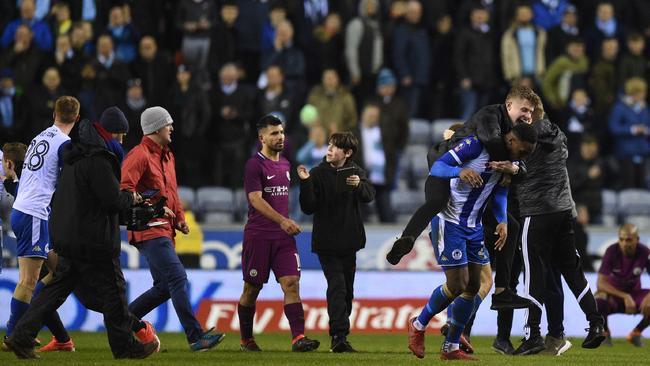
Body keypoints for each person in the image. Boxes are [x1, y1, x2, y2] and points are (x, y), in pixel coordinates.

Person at [5, 108, 160, 360]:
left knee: (55, 290)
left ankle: (21, 337)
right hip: (94, 238)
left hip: (67, 234)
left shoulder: (74, 156)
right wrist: (129, 197)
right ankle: (125, 347)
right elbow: (110, 201)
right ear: (112, 134)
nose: (121, 142)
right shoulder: (100, 159)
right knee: (114, 291)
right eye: (120, 136)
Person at [406, 123, 538, 361]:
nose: (524, 156)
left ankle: (451, 347)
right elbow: (438, 166)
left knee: (474, 286)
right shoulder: (476, 146)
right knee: (457, 285)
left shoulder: (509, 162)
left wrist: (502, 220)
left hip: (474, 227)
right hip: (451, 222)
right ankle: (418, 324)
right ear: (511, 140)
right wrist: (460, 171)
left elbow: (499, 193)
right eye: (524, 151)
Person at [386, 85, 538, 269]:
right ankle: (408, 238)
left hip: (473, 176)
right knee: (438, 201)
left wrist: (513, 170)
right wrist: (512, 167)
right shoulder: (491, 115)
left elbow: (520, 168)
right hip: (445, 161)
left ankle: (502, 286)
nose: (528, 116)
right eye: (524, 109)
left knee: (508, 223)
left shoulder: (514, 132)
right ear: (508, 106)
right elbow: (491, 141)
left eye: (531, 111)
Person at [121, 106, 225, 352]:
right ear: (156, 128)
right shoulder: (138, 155)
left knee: (164, 288)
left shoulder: (167, 155)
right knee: (177, 277)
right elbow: (125, 192)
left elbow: (171, 192)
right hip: (148, 229)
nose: (172, 128)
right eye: (168, 124)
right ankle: (195, 337)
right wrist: (152, 208)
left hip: (165, 229)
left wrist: (179, 218)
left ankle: (121, 319)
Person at [514, 115, 606, 355]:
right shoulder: (559, 138)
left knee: (533, 275)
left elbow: (519, 169)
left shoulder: (526, 142)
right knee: (573, 273)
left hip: (537, 213)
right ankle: (596, 323)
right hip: (564, 213)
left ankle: (532, 334)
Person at [238, 114, 320, 352]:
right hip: (259, 236)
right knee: (252, 289)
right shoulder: (254, 164)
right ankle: (246, 339)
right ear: (262, 137)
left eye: (282, 132)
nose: (280, 137)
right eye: (274, 133)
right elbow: (255, 199)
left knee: (292, 283)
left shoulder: (285, 164)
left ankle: (298, 338)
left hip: (283, 239)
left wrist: (284, 224)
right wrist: (283, 220)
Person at [3, 96, 79, 348]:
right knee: (29, 280)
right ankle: (14, 335)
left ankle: (60, 339)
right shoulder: (64, 144)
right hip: (34, 213)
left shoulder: (39, 137)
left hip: (26, 210)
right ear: (77, 118)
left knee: (60, 272)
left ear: (54, 114)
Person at [297, 131, 375, 352]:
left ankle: (340, 334)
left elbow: (369, 196)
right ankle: (339, 337)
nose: (329, 149)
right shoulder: (317, 173)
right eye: (329, 145)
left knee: (347, 291)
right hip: (327, 243)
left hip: (349, 241)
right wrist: (305, 183)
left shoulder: (356, 172)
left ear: (347, 153)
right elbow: (308, 207)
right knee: (338, 287)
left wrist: (359, 185)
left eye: (335, 146)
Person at [596, 224, 650, 347]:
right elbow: (600, 283)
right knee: (598, 299)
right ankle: (605, 334)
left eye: (629, 239)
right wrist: (625, 296)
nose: (625, 243)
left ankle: (636, 334)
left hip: (635, 295)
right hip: (614, 295)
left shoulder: (645, 252)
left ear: (637, 239)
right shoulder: (611, 251)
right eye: (621, 239)